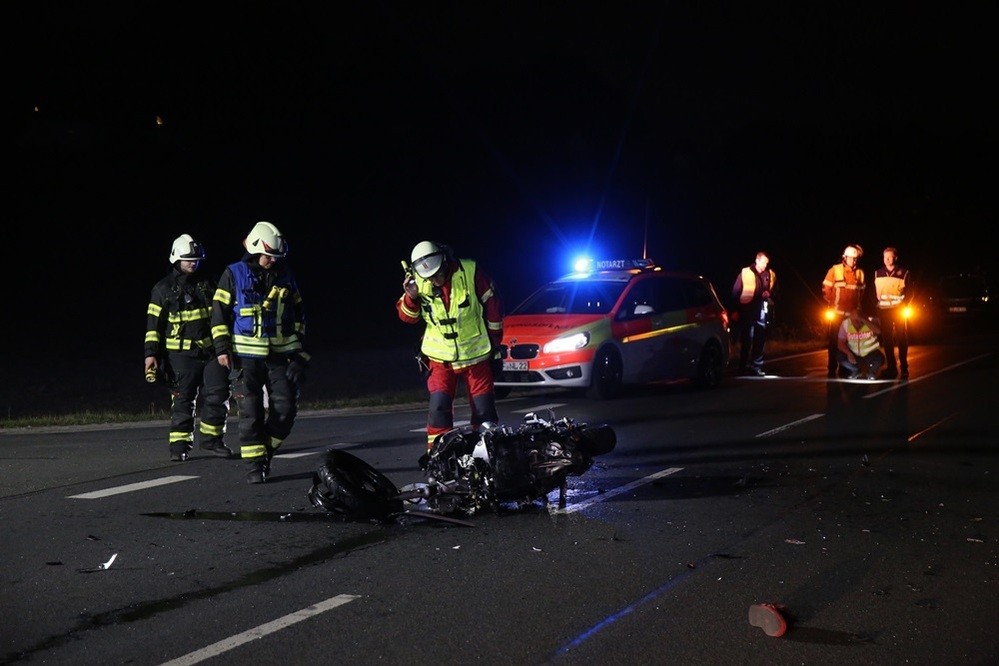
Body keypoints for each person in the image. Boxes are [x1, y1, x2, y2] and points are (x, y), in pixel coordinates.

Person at [211, 221, 310, 484]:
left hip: (280, 355)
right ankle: (255, 465)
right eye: (268, 255)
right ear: (255, 250)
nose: (272, 260)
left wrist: (299, 354)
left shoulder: (285, 275)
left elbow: (299, 315)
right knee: (251, 411)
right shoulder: (233, 273)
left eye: (276, 256)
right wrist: (222, 348)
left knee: (286, 408)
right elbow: (219, 314)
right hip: (244, 358)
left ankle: (266, 450)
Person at [397, 241, 503, 451]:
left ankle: (488, 454)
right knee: (439, 409)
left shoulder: (470, 272)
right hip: (439, 359)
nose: (435, 280)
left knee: (484, 411)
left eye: (438, 274)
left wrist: (495, 343)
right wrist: (411, 297)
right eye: (430, 277)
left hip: (476, 355)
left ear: (445, 260)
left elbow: (493, 307)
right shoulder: (417, 281)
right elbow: (407, 317)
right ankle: (438, 456)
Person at [145, 234, 233, 462]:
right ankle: (179, 446)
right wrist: (151, 355)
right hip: (180, 356)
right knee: (183, 400)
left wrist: (225, 347)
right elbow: (154, 326)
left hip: (211, 351)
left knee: (219, 394)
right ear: (176, 258)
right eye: (188, 260)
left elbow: (223, 315)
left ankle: (213, 440)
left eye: (196, 260)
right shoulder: (162, 289)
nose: (192, 263)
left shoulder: (210, 283)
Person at [822, 244, 866, 377]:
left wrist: (857, 311)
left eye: (855, 258)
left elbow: (861, 293)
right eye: (851, 258)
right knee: (834, 342)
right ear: (845, 258)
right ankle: (831, 369)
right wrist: (833, 303)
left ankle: (845, 369)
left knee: (849, 343)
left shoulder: (860, 273)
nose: (853, 261)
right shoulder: (834, 270)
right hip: (837, 314)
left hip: (851, 316)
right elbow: (826, 290)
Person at [731, 250, 777, 376]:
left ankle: (756, 367)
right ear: (757, 260)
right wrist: (734, 310)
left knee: (760, 340)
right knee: (747, 340)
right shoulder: (745, 272)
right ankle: (742, 367)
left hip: (761, 310)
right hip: (747, 310)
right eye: (763, 262)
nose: (765, 265)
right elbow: (736, 291)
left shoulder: (769, 274)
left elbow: (775, 291)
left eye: (766, 263)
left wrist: (769, 293)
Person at [873, 246, 911, 379]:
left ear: (896, 258)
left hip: (898, 310)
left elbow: (910, 292)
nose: (888, 260)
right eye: (886, 257)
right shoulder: (877, 273)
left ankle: (904, 367)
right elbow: (873, 292)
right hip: (883, 311)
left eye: (891, 257)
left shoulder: (904, 272)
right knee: (887, 340)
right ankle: (891, 367)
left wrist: (904, 304)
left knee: (901, 337)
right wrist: (876, 305)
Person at [836, 308, 885, 379]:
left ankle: (871, 372)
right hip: (854, 355)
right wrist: (849, 354)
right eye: (854, 318)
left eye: (858, 317)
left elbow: (878, 331)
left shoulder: (871, 319)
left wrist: (863, 319)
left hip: (870, 354)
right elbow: (840, 343)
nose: (857, 321)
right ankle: (856, 370)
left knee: (879, 359)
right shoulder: (845, 323)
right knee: (840, 356)